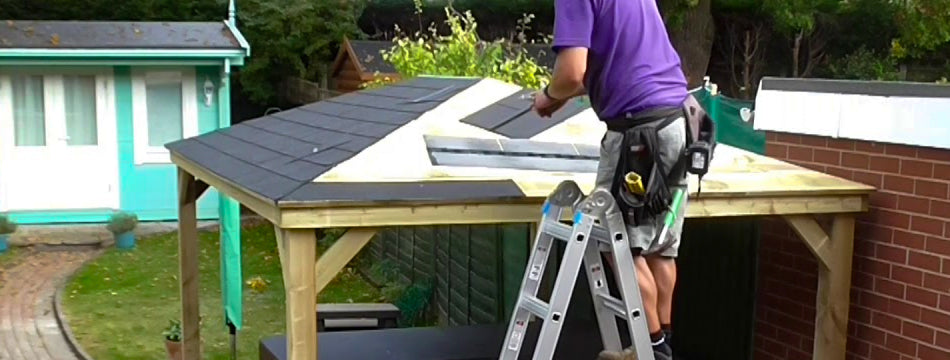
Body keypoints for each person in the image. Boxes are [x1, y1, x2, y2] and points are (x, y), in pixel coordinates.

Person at [530, 0, 691, 359]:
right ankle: (656, 343)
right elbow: (618, 66)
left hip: (638, 136)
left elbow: (571, 72)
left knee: (619, 245)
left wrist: (547, 97)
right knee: (660, 246)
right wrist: (562, 97)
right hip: (678, 122)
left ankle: (654, 352)